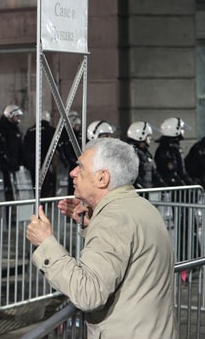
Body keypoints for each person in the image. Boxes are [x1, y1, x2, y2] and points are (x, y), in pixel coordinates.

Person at [25, 138, 178, 338]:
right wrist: (92, 222)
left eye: (81, 167)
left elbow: (89, 294)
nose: (73, 172)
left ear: (102, 178)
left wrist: (46, 243)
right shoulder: (141, 207)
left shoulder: (112, 220)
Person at [0, 104, 26, 201]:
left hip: (14, 165)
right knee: (6, 191)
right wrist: (7, 162)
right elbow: (0, 148)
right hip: (4, 167)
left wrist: (22, 161)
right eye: (16, 116)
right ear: (10, 116)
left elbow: (19, 147)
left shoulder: (15, 129)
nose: (18, 118)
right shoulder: (1, 129)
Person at [23, 111, 56, 197]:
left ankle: (36, 199)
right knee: (45, 183)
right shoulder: (50, 130)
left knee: (34, 182)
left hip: (32, 162)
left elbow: (25, 146)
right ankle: (44, 200)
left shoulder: (30, 130)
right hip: (45, 161)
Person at [154, 117, 194, 186]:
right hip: (172, 185)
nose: (183, 131)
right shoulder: (167, 149)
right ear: (175, 130)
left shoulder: (173, 147)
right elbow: (172, 171)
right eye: (181, 129)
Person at [125, 121, 162, 188]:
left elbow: (154, 173)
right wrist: (143, 189)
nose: (150, 138)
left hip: (147, 190)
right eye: (148, 136)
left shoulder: (146, 153)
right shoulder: (132, 153)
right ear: (141, 136)